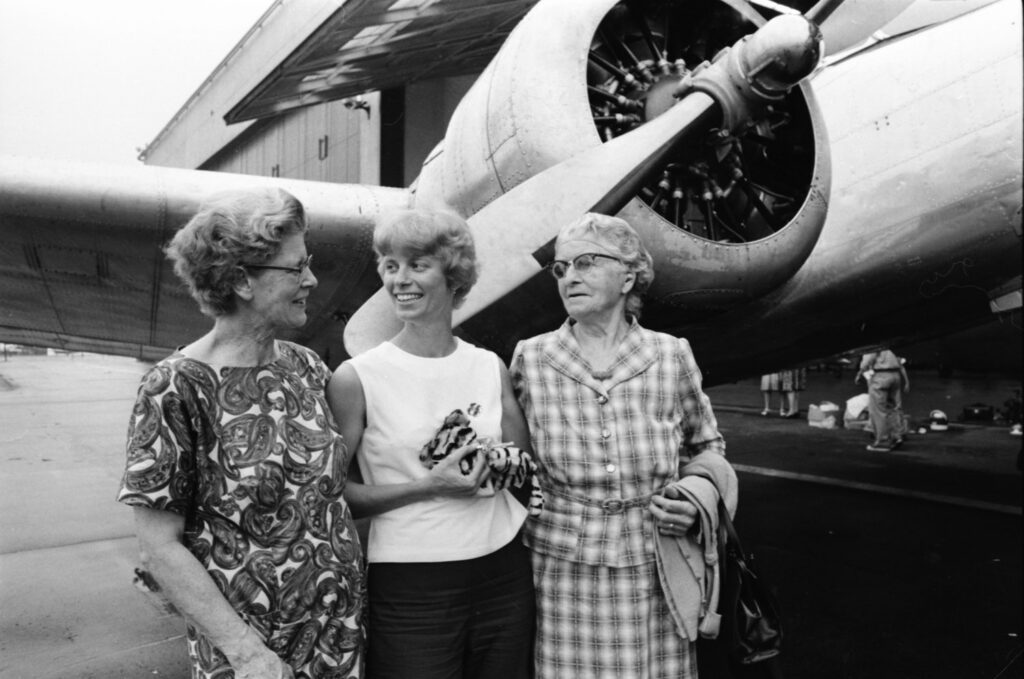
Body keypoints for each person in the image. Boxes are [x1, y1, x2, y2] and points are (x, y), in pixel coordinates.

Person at [116, 188, 365, 679]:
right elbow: (159, 547)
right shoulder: (175, 387)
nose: (312, 280)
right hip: (253, 659)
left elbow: (330, 501)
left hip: (339, 639)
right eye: (296, 269)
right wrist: (247, 654)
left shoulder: (306, 367)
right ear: (240, 281)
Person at [510, 212, 738, 679]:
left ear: (628, 276)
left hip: (656, 561)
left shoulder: (670, 354)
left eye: (587, 263)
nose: (570, 276)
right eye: (561, 268)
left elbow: (708, 445)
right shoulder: (531, 358)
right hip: (562, 569)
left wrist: (698, 501)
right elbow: (517, 461)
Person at [327, 209, 536, 679]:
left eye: (417, 265)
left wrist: (496, 464)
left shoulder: (489, 366)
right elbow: (335, 494)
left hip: (503, 571)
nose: (400, 280)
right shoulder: (357, 377)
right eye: (390, 265)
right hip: (412, 581)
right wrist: (431, 486)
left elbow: (521, 466)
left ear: (453, 275)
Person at [855, 347, 910, 451]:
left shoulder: (874, 341)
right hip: (895, 375)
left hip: (881, 376)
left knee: (878, 409)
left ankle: (882, 441)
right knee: (893, 407)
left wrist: (860, 372)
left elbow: (869, 356)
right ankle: (897, 436)